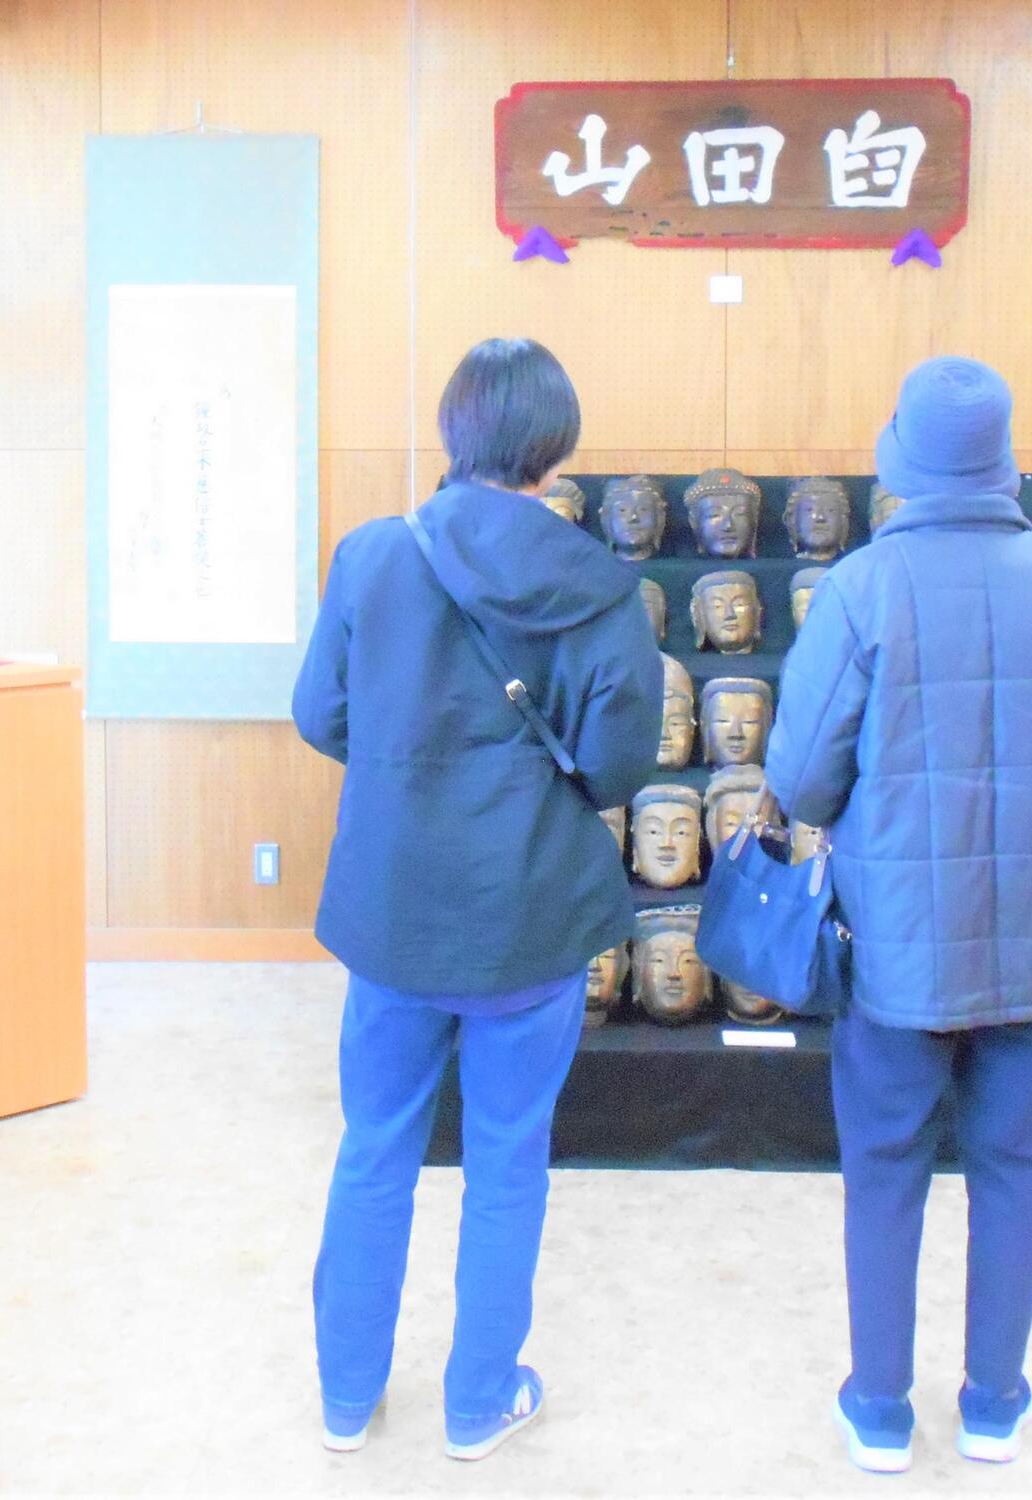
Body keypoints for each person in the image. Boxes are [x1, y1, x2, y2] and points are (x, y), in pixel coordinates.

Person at [761, 356, 1032, 1473]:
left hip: (895, 949)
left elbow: (800, 780)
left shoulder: (860, 591)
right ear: (1001, 463)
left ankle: (880, 1409)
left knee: (884, 1167)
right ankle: (992, 1403)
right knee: (1015, 1168)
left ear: (902, 463)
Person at [292, 338, 662, 1456]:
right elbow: (619, 767)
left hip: (393, 909)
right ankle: (476, 1404)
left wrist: (407, 765)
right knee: (507, 1158)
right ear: (555, 448)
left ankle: (346, 1400)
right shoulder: (600, 588)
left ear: (455, 430)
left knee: (374, 1147)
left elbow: (319, 715)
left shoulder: (372, 555)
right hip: (529, 912)